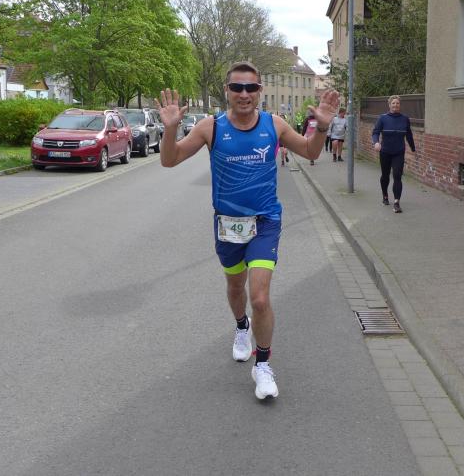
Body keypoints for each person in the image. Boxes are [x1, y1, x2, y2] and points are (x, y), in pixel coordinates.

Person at [158, 62, 339, 400]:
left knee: (260, 297)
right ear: (227, 91)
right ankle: (242, 327)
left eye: (251, 88)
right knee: (235, 286)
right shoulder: (211, 127)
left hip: (265, 222)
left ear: (259, 92)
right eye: (237, 88)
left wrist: (323, 127)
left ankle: (263, 365)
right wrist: (170, 130)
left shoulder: (274, 124)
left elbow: (311, 151)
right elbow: (170, 160)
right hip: (228, 224)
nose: (244, 94)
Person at [372, 95, 415, 213]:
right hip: (385, 152)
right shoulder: (383, 118)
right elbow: (375, 132)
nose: (395, 105)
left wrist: (413, 148)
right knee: (385, 175)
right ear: (389, 105)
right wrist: (376, 142)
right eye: (393, 103)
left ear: (400, 105)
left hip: (398, 152)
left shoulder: (405, 119)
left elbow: (409, 134)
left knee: (397, 175)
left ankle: (396, 202)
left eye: (397, 103)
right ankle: (385, 195)